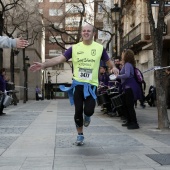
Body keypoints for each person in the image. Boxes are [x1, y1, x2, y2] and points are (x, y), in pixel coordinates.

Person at [29, 24, 119, 145]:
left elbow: (109, 62)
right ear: (81, 33)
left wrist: (113, 67)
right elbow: (59, 59)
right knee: (77, 111)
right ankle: (80, 135)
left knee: (89, 110)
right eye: (84, 31)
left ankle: (87, 117)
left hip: (91, 86)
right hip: (77, 85)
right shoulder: (74, 48)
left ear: (93, 34)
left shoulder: (99, 48)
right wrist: (44, 64)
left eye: (89, 31)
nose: (86, 32)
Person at [116, 49, 142, 129]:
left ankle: (134, 123)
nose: (122, 56)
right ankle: (129, 121)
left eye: (123, 54)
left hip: (129, 87)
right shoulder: (128, 64)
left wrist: (117, 76)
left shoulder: (127, 64)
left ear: (126, 55)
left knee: (129, 106)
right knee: (126, 105)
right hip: (127, 87)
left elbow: (127, 75)